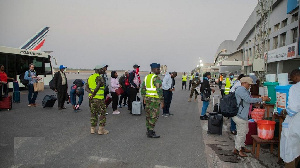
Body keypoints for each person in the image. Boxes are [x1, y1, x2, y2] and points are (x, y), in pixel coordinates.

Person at [233, 77, 270, 157]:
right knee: (241, 133)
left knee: (245, 131)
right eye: (248, 84)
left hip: (243, 115)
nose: (249, 86)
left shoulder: (244, 90)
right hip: (240, 115)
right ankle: (238, 149)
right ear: (244, 83)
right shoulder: (241, 90)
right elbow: (248, 100)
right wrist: (261, 99)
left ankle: (242, 147)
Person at [280, 68, 300, 168]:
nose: (291, 79)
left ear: (296, 76)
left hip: (295, 124)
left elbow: (293, 108)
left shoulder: (295, 88)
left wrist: (284, 111)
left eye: (291, 77)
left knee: (290, 150)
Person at [141, 63, 164, 138]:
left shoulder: (147, 77)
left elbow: (143, 89)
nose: (159, 70)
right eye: (158, 69)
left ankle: (149, 130)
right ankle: (150, 132)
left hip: (148, 99)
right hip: (154, 100)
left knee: (148, 115)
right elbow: (159, 91)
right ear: (154, 69)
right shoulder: (156, 78)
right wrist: (162, 101)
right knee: (154, 116)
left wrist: (144, 98)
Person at [85, 65, 109, 135]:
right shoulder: (99, 77)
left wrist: (91, 93)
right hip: (99, 99)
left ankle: (93, 129)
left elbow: (86, 87)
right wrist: (94, 93)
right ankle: (101, 130)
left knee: (93, 113)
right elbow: (98, 86)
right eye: (102, 69)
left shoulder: (90, 77)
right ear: (99, 70)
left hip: (92, 99)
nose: (103, 70)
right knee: (102, 114)